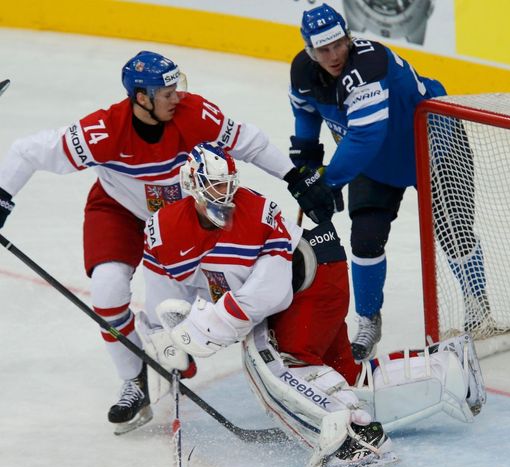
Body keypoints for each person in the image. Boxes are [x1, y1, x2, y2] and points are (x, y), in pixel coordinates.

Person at [0, 51, 333, 435]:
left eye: (177, 87)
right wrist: (3, 197)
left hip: (183, 214)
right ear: (141, 97)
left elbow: (250, 142)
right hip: (119, 211)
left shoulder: (195, 114)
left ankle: (183, 346)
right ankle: (134, 380)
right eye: (166, 92)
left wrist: (295, 176)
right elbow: (27, 151)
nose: (177, 97)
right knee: (107, 294)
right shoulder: (104, 131)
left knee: (207, 290)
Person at [139, 142, 486, 467]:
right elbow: (167, 282)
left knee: (279, 362)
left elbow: (270, 294)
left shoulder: (256, 213)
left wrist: (210, 326)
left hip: (315, 282)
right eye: (214, 187)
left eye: (227, 186)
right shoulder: (163, 228)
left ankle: (356, 439)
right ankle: (449, 370)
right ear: (192, 185)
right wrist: (164, 332)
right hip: (309, 283)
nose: (224, 197)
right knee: (345, 377)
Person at [287, 4, 490, 361]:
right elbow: (306, 117)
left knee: (454, 230)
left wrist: (328, 181)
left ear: (348, 38)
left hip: (435, 145)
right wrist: (306, 165)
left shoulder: (370, 64)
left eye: (338, 44)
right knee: (365, 239)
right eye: (323, 49)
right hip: (375, 162)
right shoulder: (303, 73)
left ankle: (478, 303)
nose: (333, 55)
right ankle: (368, 319)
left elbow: (365, 137)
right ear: (309, 51)